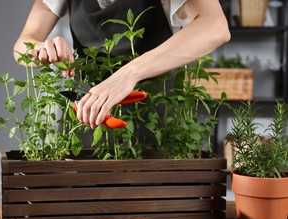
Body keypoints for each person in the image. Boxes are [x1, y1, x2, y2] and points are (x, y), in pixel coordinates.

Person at [14, 0, 231, 129]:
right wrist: (42, 48)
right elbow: (23, 43)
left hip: (157, 123)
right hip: (86, 119)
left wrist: (128, 74)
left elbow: (215, 26)